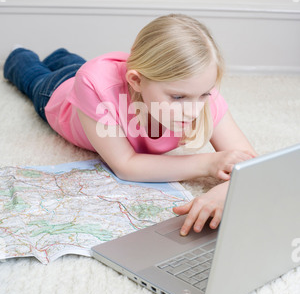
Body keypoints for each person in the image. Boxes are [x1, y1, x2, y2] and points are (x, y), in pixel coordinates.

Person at [3, 14, 257, 236]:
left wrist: (222, 194)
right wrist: (210, 163)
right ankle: (19, 54)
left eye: (205, 94)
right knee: (34, 76)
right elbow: (126, 165)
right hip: (58, 93)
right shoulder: (94, 84)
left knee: (71, 61)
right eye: (178, 97)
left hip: (96, 75)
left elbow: (251, 165)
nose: (193, 110)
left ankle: (61, 55)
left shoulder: (197, 91)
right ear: (136, 81)